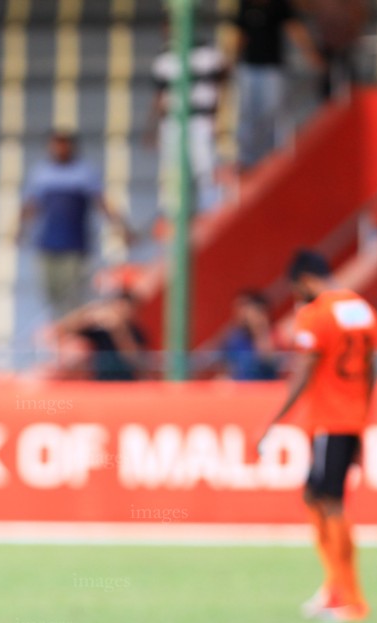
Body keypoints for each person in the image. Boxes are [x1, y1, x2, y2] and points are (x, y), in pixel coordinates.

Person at [256, 251, 377, 623]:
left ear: (306, 280)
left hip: (328, 420)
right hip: (351, 417)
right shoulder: (362, 310)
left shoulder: (315, 316)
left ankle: (351, 597)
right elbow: (373, 369)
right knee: (316, 496)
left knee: (329, 501)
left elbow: (305, 369)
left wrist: (275, 419)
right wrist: (363, 421)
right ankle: (334, 588)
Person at [17, 130, 135, 321]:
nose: (60, 149)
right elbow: (30, 205)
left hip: (74, 246)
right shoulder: (41, 174)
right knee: (52, 293)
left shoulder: (84, 173)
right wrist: (20, 229)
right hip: (47, 245)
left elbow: (103, 204)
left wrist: (123, 229)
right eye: (56, 144)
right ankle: (59, 335)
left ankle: (72, 335)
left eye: (64, 144)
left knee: (72, 295)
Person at [226, 0, 322, 170]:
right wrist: (231, 61)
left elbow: (294, 29)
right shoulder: (246, 4)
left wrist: (311, 55)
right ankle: (248, 159)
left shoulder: (278, 4)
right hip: (249, 68)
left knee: (274, 112)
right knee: (249, 113)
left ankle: (276, 156)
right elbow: (240, 34)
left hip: (272, 69)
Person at [147, 27, 229, 216]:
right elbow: (160, 96)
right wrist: (153, 128)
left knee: (204, 165)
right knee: (173, 166)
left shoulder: (208, 53)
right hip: (173, 120)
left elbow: (223, 79)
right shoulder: (165, 58)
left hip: (201, 118)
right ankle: (172, 213)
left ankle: (211, 210)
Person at [42, 290, 149, 381]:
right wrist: (87, 315)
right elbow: (60, 330)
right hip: (98, 381)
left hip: (124, 382)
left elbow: (135, 359)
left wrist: (119, 330)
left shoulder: (135, 332)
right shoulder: (99, 330)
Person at [304, 0, 366, 99]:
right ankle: (331, 100)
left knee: (347, 70)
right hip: (329, 37)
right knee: (327, 73)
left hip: (340, 37)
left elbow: (358, 12)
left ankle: (353, 99)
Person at [219, 290, 279, 380]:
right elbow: (226, 367)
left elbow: (268, 360)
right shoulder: (234, 339)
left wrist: (260, 329)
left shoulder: (274, 335)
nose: (242, 313)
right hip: (241, 389)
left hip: (265, 388)